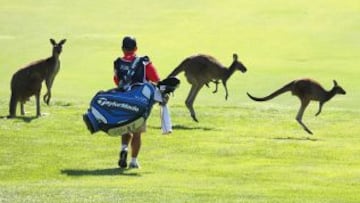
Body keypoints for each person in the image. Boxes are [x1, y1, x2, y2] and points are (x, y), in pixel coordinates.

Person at [113, 36, 160, 169]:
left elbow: (116, 80)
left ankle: (124, 148)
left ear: (123, 49)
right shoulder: (145, 63)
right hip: (139, 101)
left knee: (125, 126)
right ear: (136, 48)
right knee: (137, 132)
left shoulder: (117, 62)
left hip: (122, 98)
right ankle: (133, 161)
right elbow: (156, 79)